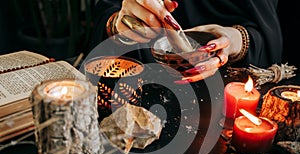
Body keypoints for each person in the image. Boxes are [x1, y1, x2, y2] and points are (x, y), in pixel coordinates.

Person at [89, 0, 283, 82]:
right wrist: (121, 23)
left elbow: (272, 35)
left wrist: (235, 40)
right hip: (143, 83)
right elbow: (106, 14)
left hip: (236, 89)